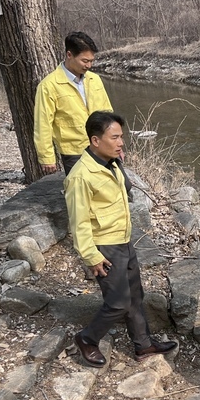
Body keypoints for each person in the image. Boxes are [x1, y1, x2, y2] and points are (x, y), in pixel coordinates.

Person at [64, 111, 177, 367]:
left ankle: (143, 344)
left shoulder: (111, 163)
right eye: (114, 138)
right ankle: (87, 339)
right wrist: (91, 256)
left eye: (121, 137)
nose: (121, 142)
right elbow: (78, 222)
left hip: (124, 239)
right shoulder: (81, 176)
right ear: (95, 140)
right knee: (118, 303)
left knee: (135, 295)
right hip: (104, 246)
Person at [34, 32, 113, 175]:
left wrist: (115, 143)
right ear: (69, 55)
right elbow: (43, 124)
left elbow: (108, 114)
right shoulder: (49, 86)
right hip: (74, 152)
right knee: (82, 187)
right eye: (85, 61)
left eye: (91, 61)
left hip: (102, 147)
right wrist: (46, 157)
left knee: (119, 184)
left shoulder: (94, 80)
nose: (89, 65)